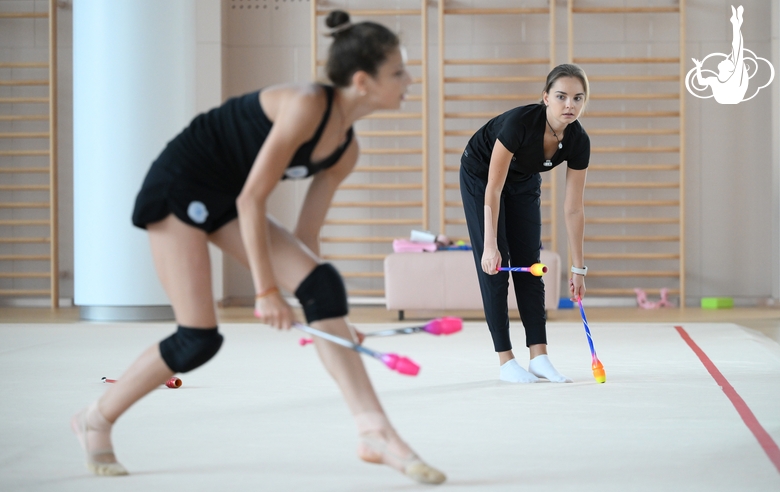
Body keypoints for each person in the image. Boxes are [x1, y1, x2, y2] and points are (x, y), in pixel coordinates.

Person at [70, 10, 445, 485]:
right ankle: (95, 419)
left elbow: (306, 239)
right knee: (197, 339)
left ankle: (374, 432)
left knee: (322, 287)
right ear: (362, 81)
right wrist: (266, 291)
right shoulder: (308, 103)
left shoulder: (345, 151)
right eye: (398, 71)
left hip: (226, 196)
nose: (409, 80)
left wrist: (335, 321)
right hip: (180, 184)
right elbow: (253, 197)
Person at [459, 64, 590, 384]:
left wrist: (579, 268)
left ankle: (539, 356)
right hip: (481, 177)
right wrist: (490, 246)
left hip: (524, 180)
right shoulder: (519, 124)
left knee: (531, 265)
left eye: (577, 98)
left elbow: (573, 209)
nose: (569, 105)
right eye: (561, 96)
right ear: (546, 98)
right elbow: (493, 188)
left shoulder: (579, 141)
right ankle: (506, 361)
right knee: (495, 268)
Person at [691, 5, 748, 104]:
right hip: (729, 96)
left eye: (727, 61)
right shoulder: (717, 80)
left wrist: (698, 67)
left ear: (728, 69)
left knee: (737, 50)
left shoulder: (731, 78)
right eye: (729, 61)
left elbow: (738, 48)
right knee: (737, 51)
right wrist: (698, 67)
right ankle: (736, 24)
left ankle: (736, 24)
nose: (725, 59)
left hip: (732, 95)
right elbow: (701, 82)